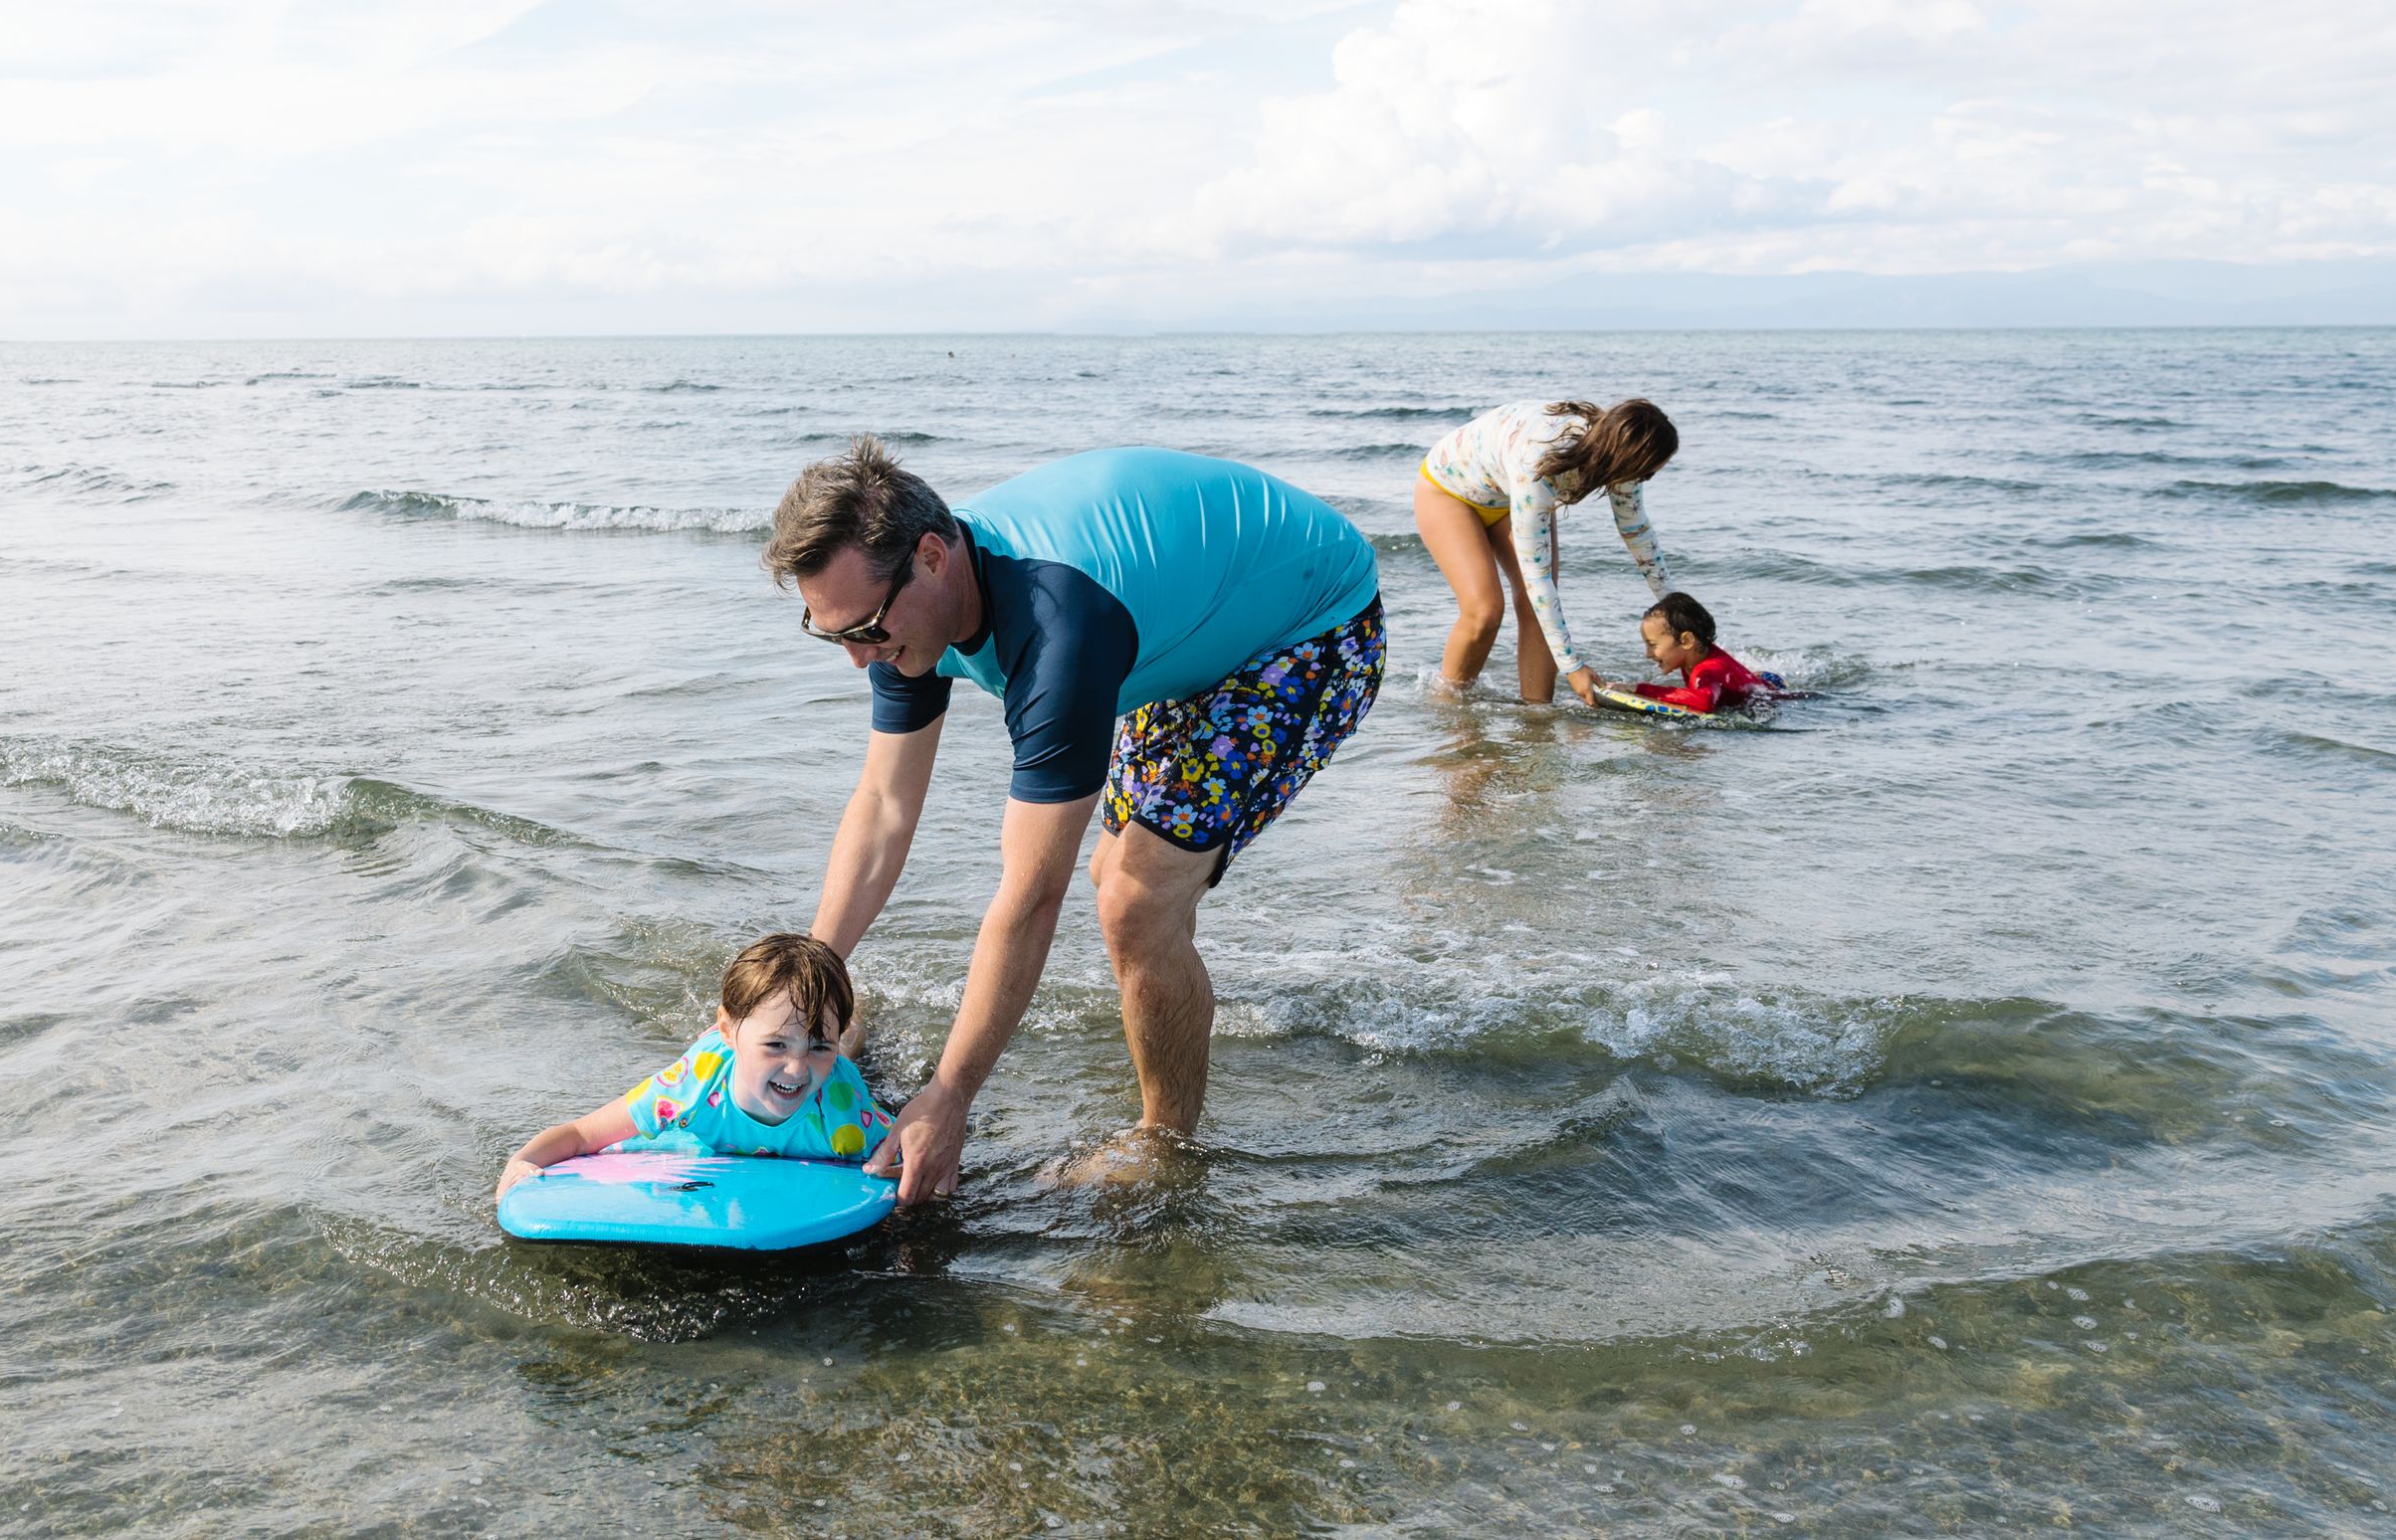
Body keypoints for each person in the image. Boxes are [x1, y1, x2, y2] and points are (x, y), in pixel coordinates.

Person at [767, 438, 1385, 1204]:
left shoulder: (1057, 631)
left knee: (1135, 900)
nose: (858, 660)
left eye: (861, 630)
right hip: (1183, 624)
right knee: (1115, 874)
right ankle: (1171, 1011)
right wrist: (806, 992)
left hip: (1309, 626)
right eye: (831, 633)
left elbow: (1031, 895)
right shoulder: (905, 619)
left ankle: (1165, 1146)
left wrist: (950, 1095)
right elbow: (885, 808)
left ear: (931, 557)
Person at [494, 933, 888, 1199]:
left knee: (845, 1056)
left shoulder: (844, 1114)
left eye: (818, 1046)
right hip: (716, 1061)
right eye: (776, 1046)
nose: (797, 1068)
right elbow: (582, 1134)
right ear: (728, 1031)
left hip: (825, 1077)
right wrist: (525, 1160)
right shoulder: (688, 1089)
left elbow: (900, 1157)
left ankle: (851, 1026)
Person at [1414, 398, 1679, 704]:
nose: (1642, 480)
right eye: (1646, 474)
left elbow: (1636, 531)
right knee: (1485, 611)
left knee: (1535, 608)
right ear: (1628, 457)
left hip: (1505, 496)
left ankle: (1537, 716)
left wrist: (1677, 609)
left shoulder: (1618, 451)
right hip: (1450, 491)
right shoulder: (1540, 462)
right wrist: (1572, 666)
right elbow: (1537, 580)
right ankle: (1448, 708)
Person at [1620, 592, 1774, 714]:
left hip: (1771, 699)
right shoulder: (1696, 654)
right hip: (1761, 685)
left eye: (1653, 645)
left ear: (1686, 641)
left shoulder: (1707, 670)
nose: (1648, 654)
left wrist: (1640, 689)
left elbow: (1704, 702)